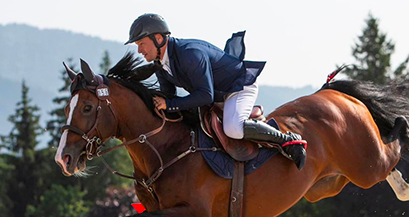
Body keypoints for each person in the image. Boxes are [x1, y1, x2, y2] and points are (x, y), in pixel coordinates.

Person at [125, 13, 307, 169]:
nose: (139, 50)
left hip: (238, 88)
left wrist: (170, 104)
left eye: (141, 43)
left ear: (158, 38)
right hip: (216, 95)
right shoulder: (161, 63)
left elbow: (205, 96)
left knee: (233, 128)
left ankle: (287, 140)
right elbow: (169, 95)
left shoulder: (189, 54)